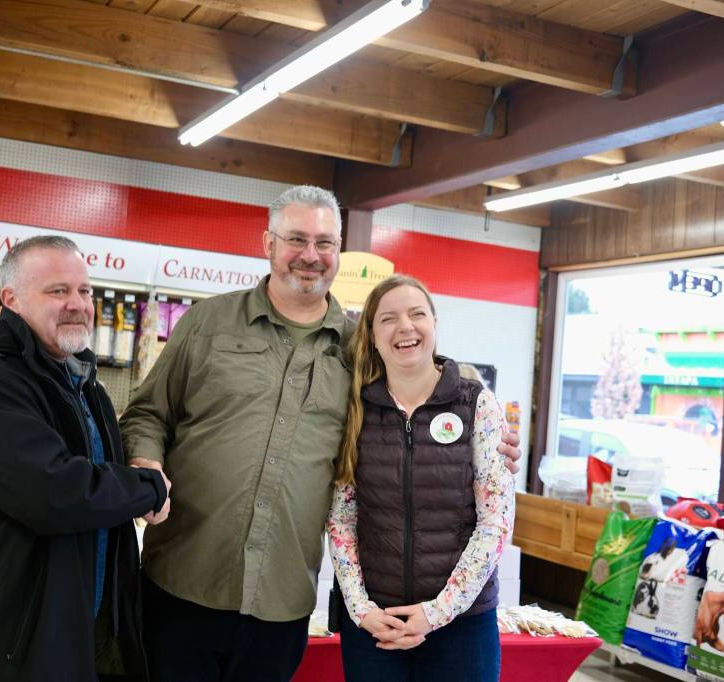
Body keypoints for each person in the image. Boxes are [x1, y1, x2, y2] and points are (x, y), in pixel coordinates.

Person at [119, 185, 521, 682]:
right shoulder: (208, 324)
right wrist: (147, 465)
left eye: (325, 243)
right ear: (268, 243)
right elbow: (146, 415)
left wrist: (484, 427)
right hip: (182, 581)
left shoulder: (360, 350)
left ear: (338, 253)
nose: (310, 255)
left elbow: (419, 379)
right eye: (296, 239)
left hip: (280, 600)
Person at [0, 236, 170, 682]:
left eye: (85, 291)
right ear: (10, 299)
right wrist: (148, 488)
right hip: (1, 641)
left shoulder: (81, 380)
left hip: (67, 627)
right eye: (58, 291)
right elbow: (53, 492)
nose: (77, 304)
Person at [327, 274, 516, 681]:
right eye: (388, 319)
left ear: (434, 324)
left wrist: (437, 612)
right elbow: (342, 521)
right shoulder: (356, 411)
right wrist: (361, 609)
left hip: (462, 625)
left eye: (417, 314)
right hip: (376, 627)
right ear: (373, 337)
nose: (405, 327)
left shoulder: (476, 405)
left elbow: (495, 523)